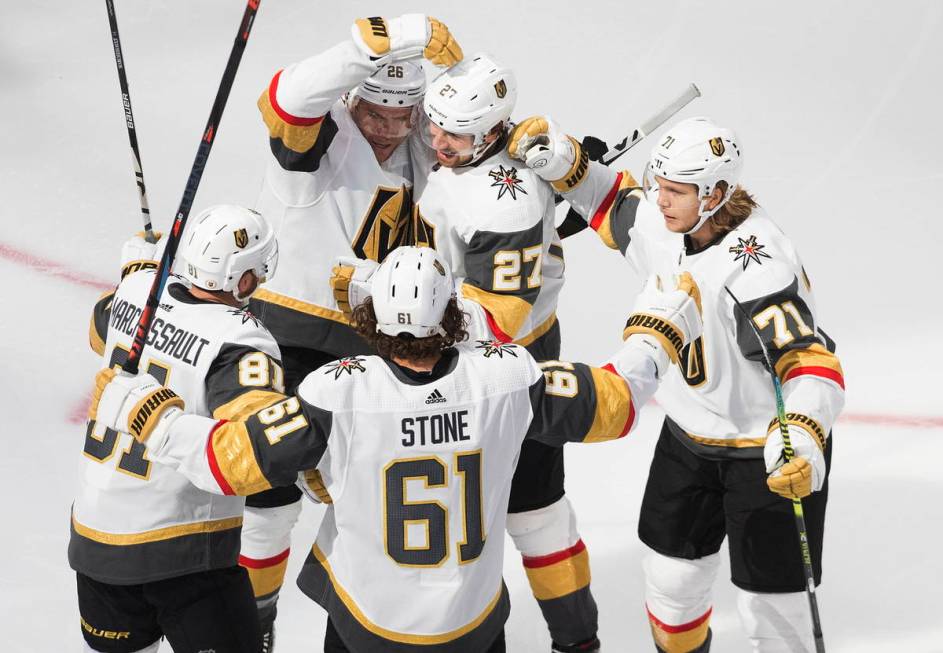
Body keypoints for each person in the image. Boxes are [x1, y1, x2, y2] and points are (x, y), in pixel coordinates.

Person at [88, 246, 702, 653]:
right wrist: (659, 330)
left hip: (370, 629)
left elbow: (229, 462)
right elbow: (619, 403)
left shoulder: (336, 391)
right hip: (470, 624)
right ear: (452, 318)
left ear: (373, 320)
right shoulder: (509, 376)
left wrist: (153, 416)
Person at [509, 116, 846, 652]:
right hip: (688, 440)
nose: (660, 200)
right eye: (659, 185)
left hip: (765, 451)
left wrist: (802, 434)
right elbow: (613, 202)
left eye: (675, 191)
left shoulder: (756, 268)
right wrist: (567, 165)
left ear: (715, 194)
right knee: (671, 586)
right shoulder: (667, 224)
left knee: (772, 615)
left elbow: (811, 363)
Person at [334, 53, 603, 652]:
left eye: (453, 134)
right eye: (433, 124)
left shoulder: (503, 205)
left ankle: (577, 641)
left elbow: (498, 323)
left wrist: (387, 297)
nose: (435, 140)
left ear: (491, 132)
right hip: (467, 342)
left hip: (504, 361)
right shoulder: (480, 152)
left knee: (534, 510)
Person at [242, 14, 463, 647]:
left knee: (376, 493)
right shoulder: (320, 139)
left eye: (404, 116)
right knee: (274, 499)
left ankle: (370, 622)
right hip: (295, 339)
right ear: (352, 100)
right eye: (377, 115)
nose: (391, 131)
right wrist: (382, 38)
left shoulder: (421, 145)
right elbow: (283, 94)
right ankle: (255, 622)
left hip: (382, 346)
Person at [70, 205, 282, 653]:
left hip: (94, 540)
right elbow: (252, 460)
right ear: (243, 279)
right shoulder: (243, 337)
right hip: (184, 552)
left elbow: (98, 331)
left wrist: (140, 273)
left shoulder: (137, 288)